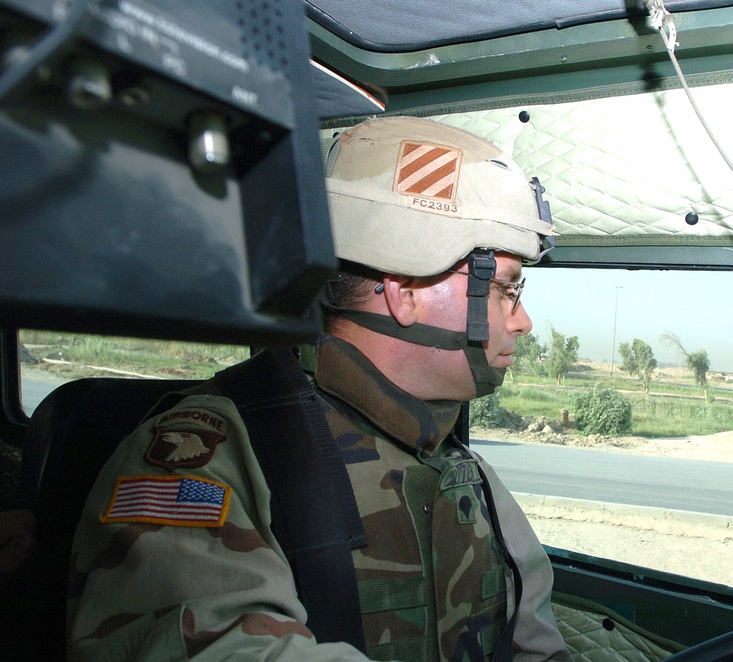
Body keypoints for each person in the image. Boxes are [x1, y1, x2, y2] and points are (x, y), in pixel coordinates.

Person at [67, 116, 571, 661]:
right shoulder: (206, 453)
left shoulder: (463, 470)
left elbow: (535, 643)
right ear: (405, 291)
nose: (521, 322)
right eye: (504, 289)